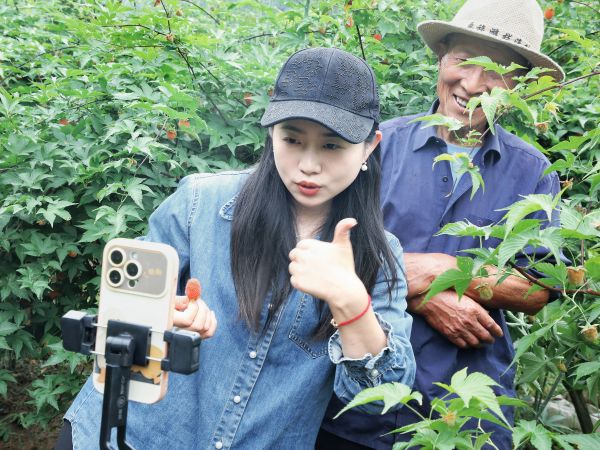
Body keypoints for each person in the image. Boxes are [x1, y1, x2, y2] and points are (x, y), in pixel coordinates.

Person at [56, 47, 415, 450]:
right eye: (292, 139)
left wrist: (351, 304)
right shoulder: (199, 204)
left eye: (332, 146)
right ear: (271, 133)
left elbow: (381, 397)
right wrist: (162, 313)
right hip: (128, 437)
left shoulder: (378, 256)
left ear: (369, 146)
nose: (309, 165)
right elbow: (121, 308)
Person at [317, 1, 564, 449]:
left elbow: (536, 288)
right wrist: (424, 294)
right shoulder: (376, 147)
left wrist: (440, 270)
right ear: (441, 56)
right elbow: (319, 248)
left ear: (520, 86)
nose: (473, 84)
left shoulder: (533, 173)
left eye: (497, 72)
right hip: (355, 404)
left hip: (466, 419)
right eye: (464, 60)